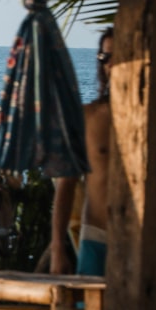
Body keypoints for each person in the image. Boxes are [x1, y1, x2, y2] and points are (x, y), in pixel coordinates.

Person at [50, 27, 113, 275]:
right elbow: (66, 185)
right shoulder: (86, 118)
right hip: (97, 236)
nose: (112, 64)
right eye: (105, 57)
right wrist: (57, 248)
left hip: (149, 237)